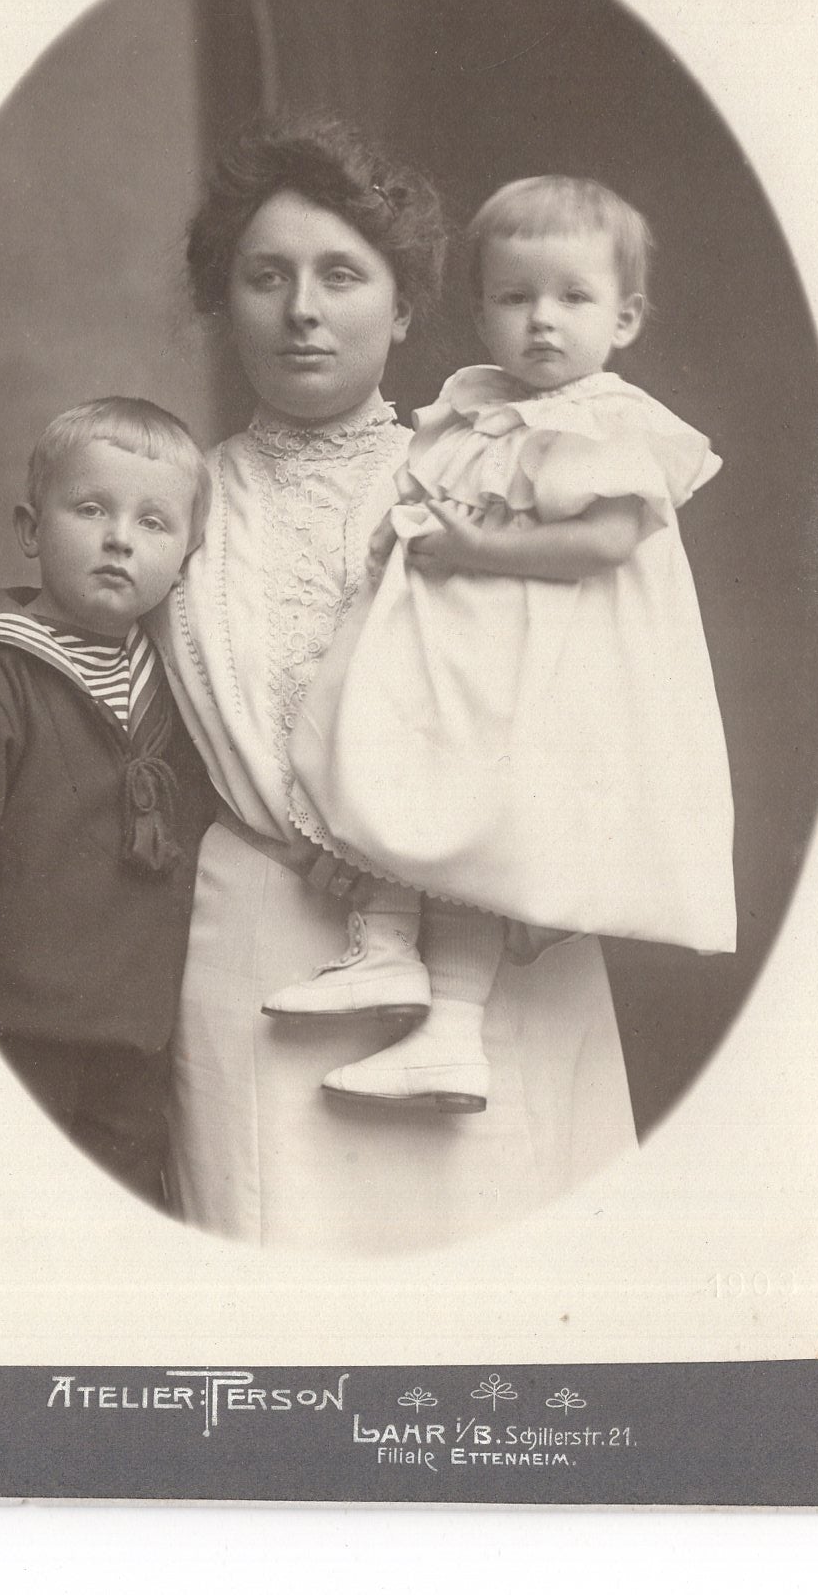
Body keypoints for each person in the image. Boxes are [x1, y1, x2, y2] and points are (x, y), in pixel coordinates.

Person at [149, 122, 638, 1252]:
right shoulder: (176, 499)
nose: (300, 311)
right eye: (264, 277)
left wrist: (521, 865)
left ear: (406, 307)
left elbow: (596, 684)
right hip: (262, 933)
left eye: (340, 276)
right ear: (225, 303)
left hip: (480, 916)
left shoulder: (488, 477)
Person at [282, 176, 737, 1111]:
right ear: (481, 311)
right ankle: (387, 950)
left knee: (482, 824)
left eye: (573, 298)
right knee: (389, 758)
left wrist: (479, 545)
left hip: (550, 672)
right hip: (469, 652)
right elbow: (431, 493)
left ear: (626, 316)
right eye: (514, 297)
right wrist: (398, 528)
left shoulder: (605, 419)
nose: (541, 322)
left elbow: (606, 542)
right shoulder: (472, 406)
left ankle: (450, 1029)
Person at [0, 397, 218, 1207]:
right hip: (15, 1044)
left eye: (154, 522)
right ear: (32, 529)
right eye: (91, 508)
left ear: (186, 558)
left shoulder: (180, 687)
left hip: (137, 1046)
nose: (119, 538)